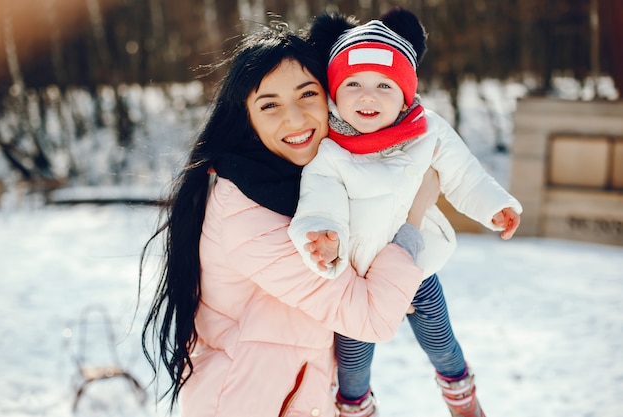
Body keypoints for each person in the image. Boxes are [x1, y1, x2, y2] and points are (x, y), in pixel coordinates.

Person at [139, 21, 442, 417]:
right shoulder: (251, 215)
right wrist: (414, 214)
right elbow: (372, 316)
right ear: (246, 118)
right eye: (269, 105)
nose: (296, 119)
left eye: (308, 94)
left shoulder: (306, 184)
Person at [287, 8, 523, 417]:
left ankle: (460, 395)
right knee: (354, 364)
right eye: (353, 83)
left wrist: (495, 206)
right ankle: (356, 408)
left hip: (418, 267)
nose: (367, 96)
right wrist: (322, 234)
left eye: (384, 85)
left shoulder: (427, 130)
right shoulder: (329, 150)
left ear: (405, 93)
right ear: (334, 91)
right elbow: (318, 198)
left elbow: (464, 174)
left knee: (440, 341)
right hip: (358, 280)